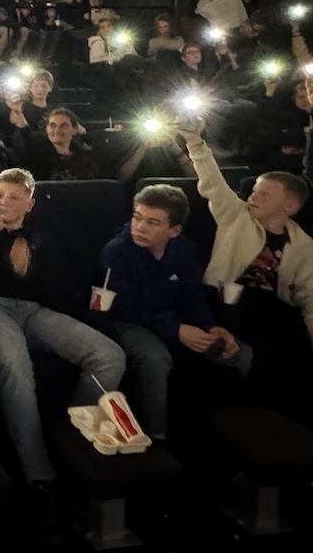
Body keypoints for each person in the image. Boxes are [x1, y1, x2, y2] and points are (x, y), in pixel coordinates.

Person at [0, 169, 125, 501]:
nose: (4, 202)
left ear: (29, 203)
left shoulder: (44, 234)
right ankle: (38, 473)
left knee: (109, 356)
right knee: (16, 365)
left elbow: (60, 285)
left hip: (35, 309)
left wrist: (35, 261)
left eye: (14, 197)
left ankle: (72, 443)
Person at [179, 118, 313, 425]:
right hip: (225, 301)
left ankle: (289, 423)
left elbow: (309, 294)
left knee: (294, 343)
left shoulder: (304, 245)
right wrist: (195, 142)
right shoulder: (236, 217)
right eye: (254, 191)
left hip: (271, 312)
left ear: (289, 207)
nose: (253, 197)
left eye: (264, 194)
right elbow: (213, 185)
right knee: (268, 323)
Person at [99, 184, 252, 439]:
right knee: (155, 358)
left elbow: (191, 295)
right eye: (137, 217)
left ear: (174, 230)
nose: (140, 227)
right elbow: (122, 307)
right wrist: (176, 331)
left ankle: (228, 426)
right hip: (127, 320)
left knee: (240, 352)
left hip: (167, 316)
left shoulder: (184, 249)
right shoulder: (117, 251)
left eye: (152, 222)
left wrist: (210, 326)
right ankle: (157, 433)